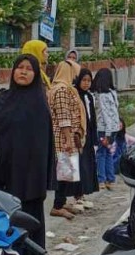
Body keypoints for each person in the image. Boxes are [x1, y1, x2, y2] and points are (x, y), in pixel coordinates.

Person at [0, 54, 55, 255]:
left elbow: (44, 143)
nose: (23, 72)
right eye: (20, 67)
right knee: (4, 214)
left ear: (36, 74)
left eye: (29, 69)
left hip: (30, 172)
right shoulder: (2, 99)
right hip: (4, 168)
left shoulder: (39, 103)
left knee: (28, 213)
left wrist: (42, 175)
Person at [48, 61, 86, 219]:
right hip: (64, 136)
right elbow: (63, 116)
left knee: (66, 173)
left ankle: (61, 202)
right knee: (63, 173)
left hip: (67, 135)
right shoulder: (62, 89)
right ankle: (57, 206)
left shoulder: (65, 88)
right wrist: (69, 139)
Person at [74, 68, 99, 204]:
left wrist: (94, 137)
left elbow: (92, 118)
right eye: (84, 80)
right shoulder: (75, 95)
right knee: (80, 165)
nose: (86, 83)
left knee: (88, 165)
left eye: (89, 81)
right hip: (80, 135)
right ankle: (77, 195)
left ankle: (83, 194)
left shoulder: (89, 96)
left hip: (89, 135)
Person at [92, 68, 120, 189]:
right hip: (114, 128)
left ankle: (101, 180)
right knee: (108, 153)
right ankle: (111, 179)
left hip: (104, 128)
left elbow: (105, 114)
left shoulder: (102, 96)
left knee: (101, 154)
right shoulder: (112, 93)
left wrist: (107, 134)